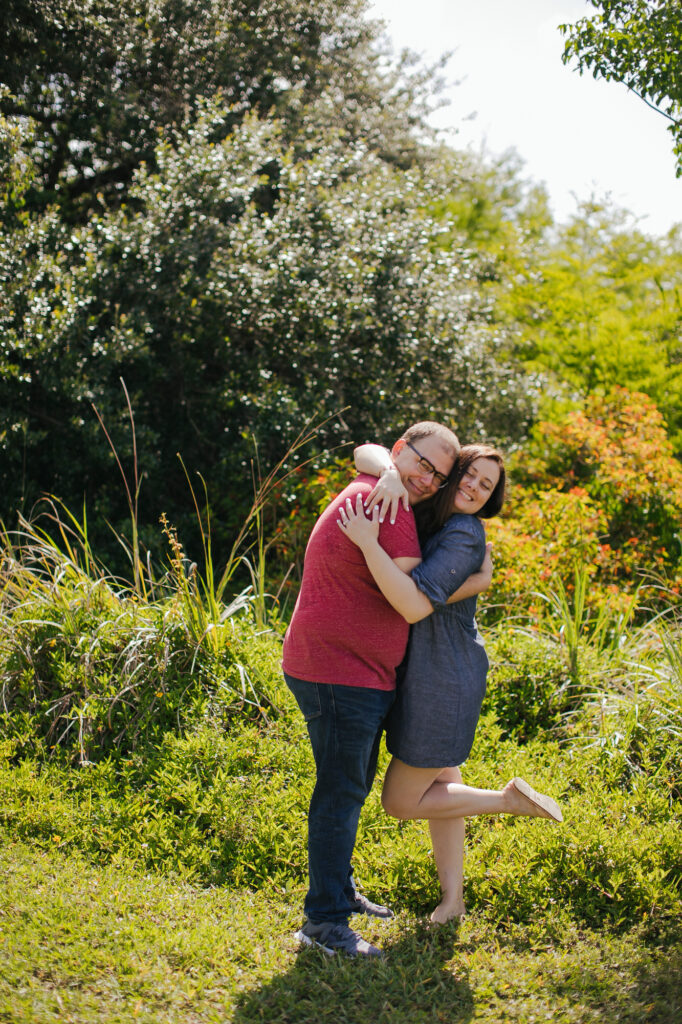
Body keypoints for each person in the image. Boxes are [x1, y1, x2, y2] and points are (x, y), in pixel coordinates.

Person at [282, 421, 492, 958]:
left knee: (347, 789)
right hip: (341, 672)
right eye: (422, 464)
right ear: (401, 451)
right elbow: (414, 601)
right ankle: (323, 922)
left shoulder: (381, 489)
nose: (427, 479)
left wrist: (474, 574)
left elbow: (370, 454)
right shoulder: (391, 507)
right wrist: (472, 576)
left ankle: (338, 893)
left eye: (439, 475)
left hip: (346, 668)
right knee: (340, 795)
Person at [340, 443, 563, 924]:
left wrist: (370, 544)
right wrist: (391, 476)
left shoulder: (463, 533)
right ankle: (453, 902)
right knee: (445, 788)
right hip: (428, 672)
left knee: (400, 801)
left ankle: (508, 801)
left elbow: (417, 596)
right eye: (471, 476)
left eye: (486, 487)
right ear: (454, 471)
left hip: (444, 677)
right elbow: (367, 450)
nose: (475, 488)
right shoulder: (431, 512)